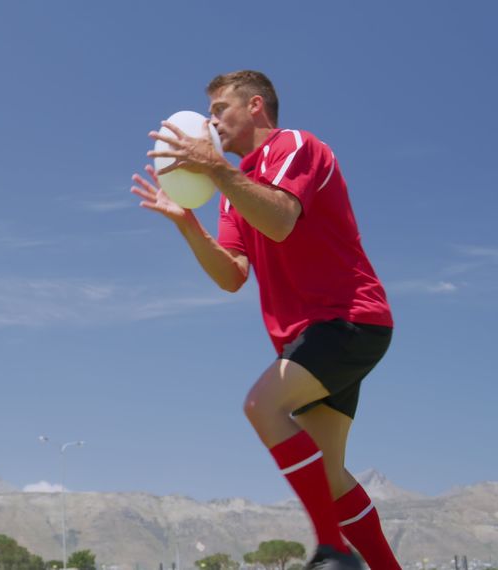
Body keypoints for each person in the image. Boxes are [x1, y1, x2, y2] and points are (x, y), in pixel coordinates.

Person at [131, 70, 399, 570]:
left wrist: (215, 169)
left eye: (219, 110)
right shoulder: (231, 190)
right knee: (331, 476)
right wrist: (187, 223)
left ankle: (332, 552)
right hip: (306, 336)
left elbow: (278, 220)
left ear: (255, 107)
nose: (211, 122)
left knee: (261, 406)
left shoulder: (296, 145)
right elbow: (232, 276)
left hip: (348, 318)